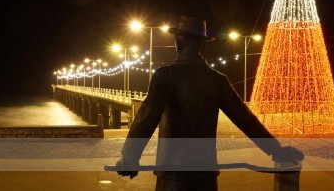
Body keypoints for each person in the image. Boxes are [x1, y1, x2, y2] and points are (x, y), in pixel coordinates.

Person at [115, 15, 303, 191]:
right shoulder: (217, 80)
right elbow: (244, 118)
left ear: (178, 42)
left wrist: (130, 157)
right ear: (202, 45)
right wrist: (275, 150)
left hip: (172, 174)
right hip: (205, 174)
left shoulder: (166, 76)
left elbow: (147, 116)